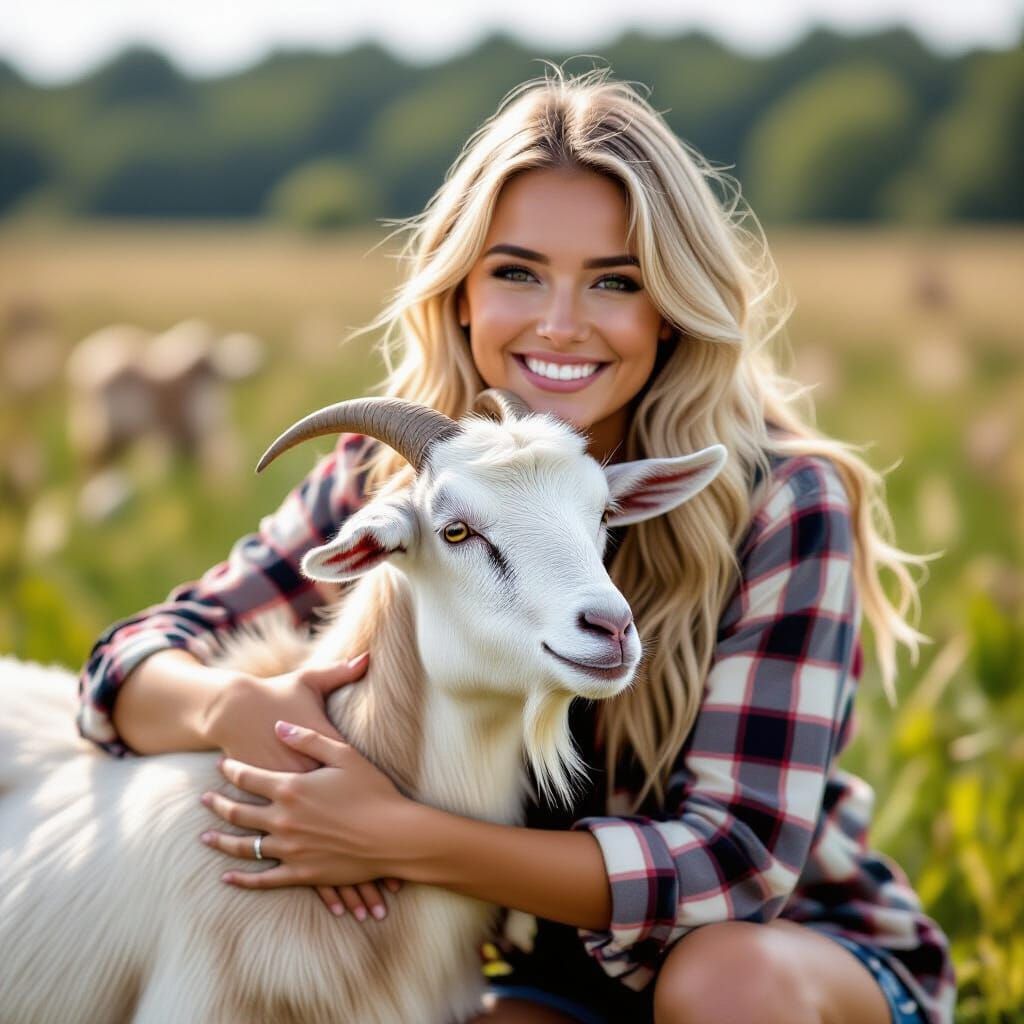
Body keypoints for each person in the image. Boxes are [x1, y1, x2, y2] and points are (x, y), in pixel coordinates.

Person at [77, 69, 956, 1024]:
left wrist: (396, 837)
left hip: (781, 958)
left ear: (668, 308)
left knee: (721, 985)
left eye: (615, 282)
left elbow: (733, 867)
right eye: (516, 272)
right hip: (550, 973)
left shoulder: (780, 502)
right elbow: (128, 665)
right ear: (459, 293)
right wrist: (233, 710)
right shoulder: (403, 478)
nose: (562, 324)